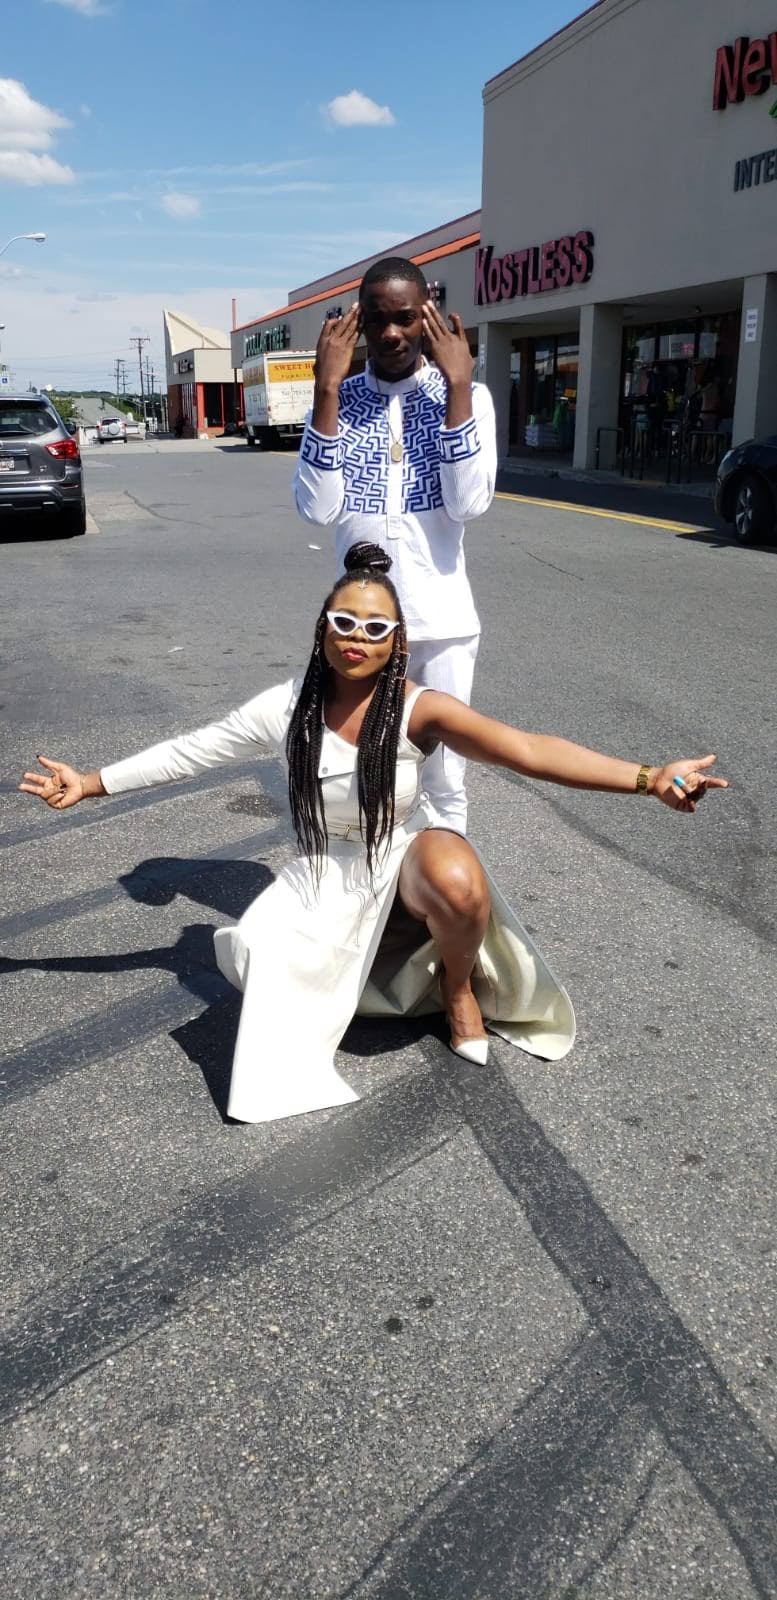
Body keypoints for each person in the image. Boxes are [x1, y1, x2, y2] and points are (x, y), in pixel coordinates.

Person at [18, 543, 727, 1127]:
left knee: (456, 874)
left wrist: (647, 778)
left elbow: (528, 750)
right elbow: (190, 751)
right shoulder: (284, 709)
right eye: (345, 622)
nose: (358, 638)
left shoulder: (421, 710)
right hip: (324, 872)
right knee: (263, 955)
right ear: (322, 629)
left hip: (401, 855)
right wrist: (91, 782)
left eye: (376, 628)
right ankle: (372, 979)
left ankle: (458, 991)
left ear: (397, 643)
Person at [293, 256, 497, 836]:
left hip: (441, 624)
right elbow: (317, 508)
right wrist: (327, 389)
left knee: (445, 779)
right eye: (377, 319)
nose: (390, 333)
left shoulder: (469, 396)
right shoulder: (338, 400)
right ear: (358, 323)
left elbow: (469, 503)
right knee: (362, 769)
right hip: (363, 628)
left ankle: (439, 887)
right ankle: (376, 885)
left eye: (404, 318)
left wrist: (457, 386)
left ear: (427, 316)